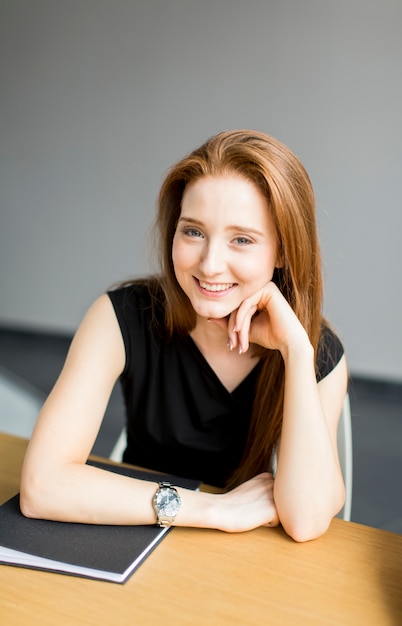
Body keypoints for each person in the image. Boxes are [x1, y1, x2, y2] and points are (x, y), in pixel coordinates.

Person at [20, 130, 348, 542]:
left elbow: (307, 519)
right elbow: (41, 486)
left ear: (282, 252)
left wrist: (297, 351)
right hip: (133, 531)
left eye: (242, 239)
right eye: (193, 231)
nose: (210, 265)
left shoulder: (317, 352)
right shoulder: (122, 316)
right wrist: (215, 509)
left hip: (249, 563)